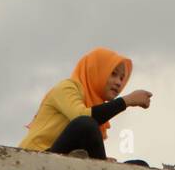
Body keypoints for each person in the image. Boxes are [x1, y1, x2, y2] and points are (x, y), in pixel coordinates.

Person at [19, 47, 152, 160]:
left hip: (61, 158)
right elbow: (82, 117)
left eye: (122, 78)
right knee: (85, 124)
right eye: (113, 74)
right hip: (35, 157)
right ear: (95, 70)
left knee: (139, 165)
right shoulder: (67, 87)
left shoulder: (94, 105)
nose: (119, 82)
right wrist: (127, 101)